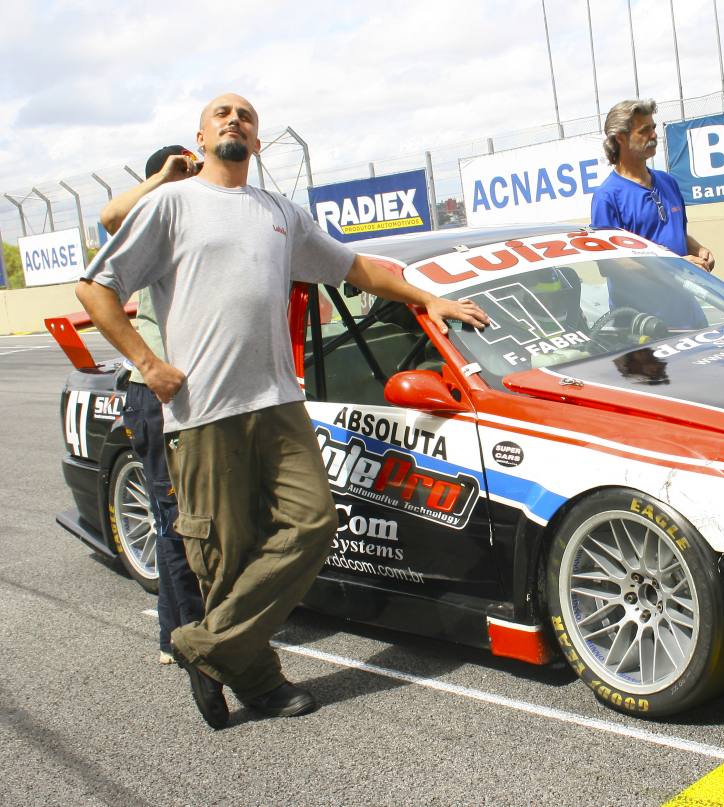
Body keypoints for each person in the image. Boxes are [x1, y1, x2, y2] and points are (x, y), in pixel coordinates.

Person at [76, 93, 490, 730]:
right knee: (224, 553)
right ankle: (257, 678)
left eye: (245, 116)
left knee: (314, 522)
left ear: (259, 141)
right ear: (200, 135)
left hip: (278, 400)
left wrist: (429, 299)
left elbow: (358, 270)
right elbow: (96, 289)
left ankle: (205, 647)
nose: (234, 121)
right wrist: (148, 363)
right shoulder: (170, 205)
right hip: (203, 409)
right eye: (222, 114)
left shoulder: (279, 214)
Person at [100, 145, 205, 667]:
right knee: (175, 517)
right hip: (155, 390)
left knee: (201, 515)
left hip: (204, 390)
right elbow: (111, 216)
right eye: (181, 170)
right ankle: (181, 634)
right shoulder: (147, 226)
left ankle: (186, 628)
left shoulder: (199, 218)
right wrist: (165, 177)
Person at [591, 99, 715, 273]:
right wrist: (675, 265)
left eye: (653, 128)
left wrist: (698, 249)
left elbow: (676, 234)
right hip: (639, 300)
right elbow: (610, 263)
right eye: (644, 130)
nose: (654, 135)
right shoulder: (607, 196)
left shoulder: (668, 182)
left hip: (683, 296)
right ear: (620, 138)